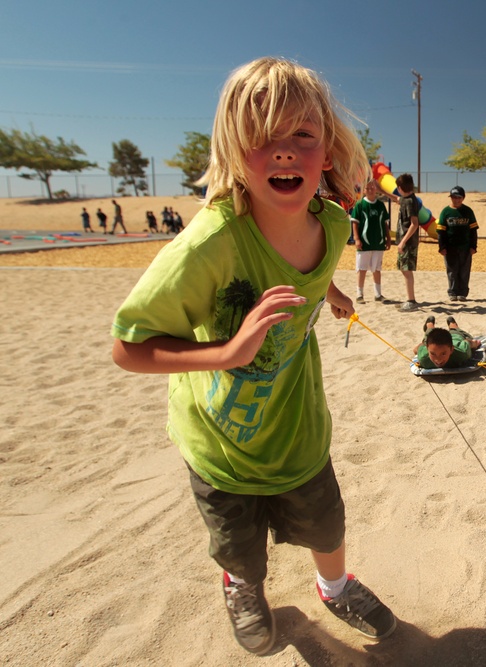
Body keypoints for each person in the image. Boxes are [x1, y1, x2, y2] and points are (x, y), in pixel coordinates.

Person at [109, 57, 396, 656]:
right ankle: (242, 588)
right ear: (234, 150)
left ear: (327, 148)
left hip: (296, 427)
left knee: (327, 524)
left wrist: (333, 292)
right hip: (219, 441)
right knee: (239, 546)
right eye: (263, 138)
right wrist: (227, 351)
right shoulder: (210, 242)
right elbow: (129, 348)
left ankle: (333, 585)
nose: (285, 152)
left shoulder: (336, 226)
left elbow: (311, 272)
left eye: (303, 136)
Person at [350, 179, 391, 303]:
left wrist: (388, 239)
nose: (371, 190)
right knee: (361, 269)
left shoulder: (380, 205)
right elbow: (355, 223)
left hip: (378, 243)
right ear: (364, 190)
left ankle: (378, 295)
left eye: (372, 188)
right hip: (364, 243)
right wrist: (356, 238)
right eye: (368, 188)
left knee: (377, 269)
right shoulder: (360, 205)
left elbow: (385, 224)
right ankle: (359, 294)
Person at [436, 185, 479, 302]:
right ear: (451, 198)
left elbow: (473, 230)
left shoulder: (468, 211)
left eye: (459, 197)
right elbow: (440, 231)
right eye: (454, 197)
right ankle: (452, 292)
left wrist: (473, 246)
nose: (456, 200)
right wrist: (442, 247)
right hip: (450, 248)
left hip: (465, 247)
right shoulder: (445, 212)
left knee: (464, 270)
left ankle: (462, 293)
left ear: (463, 198)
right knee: (451, 270)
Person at [413, 315, 481, 369]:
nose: (438, 360)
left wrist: (474, 343)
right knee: (428, 336)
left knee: (456, 332)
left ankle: (452, 324)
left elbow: (467, 343)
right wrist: (421, 346)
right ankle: (429, 325)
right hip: (433, 345)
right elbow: (418, 348)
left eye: (443, 354)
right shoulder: (424, 359)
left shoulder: (462, 354)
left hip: (454, 341)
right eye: (433, 354)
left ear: (451, 350)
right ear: (427, 349)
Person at [394, 173, 421, 311]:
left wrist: (402, 242)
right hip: (405, 242)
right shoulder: (406, 199)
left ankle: (411, 301)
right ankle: (409, 299)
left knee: (407, 270)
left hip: (408, 243)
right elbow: (397, 199)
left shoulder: (410, 201)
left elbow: (414, 224)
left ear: (399, 187)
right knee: (404, 270)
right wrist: (381, 191)